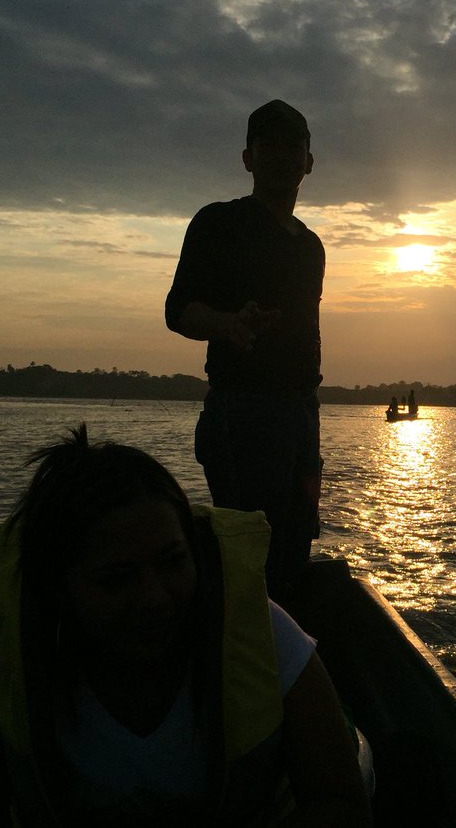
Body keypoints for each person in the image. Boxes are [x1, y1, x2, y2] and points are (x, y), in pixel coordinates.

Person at [0, 424, 371, 827]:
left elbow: (338, 800)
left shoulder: (263, 637)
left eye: (173, 562)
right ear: (59, 586)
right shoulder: (5, 663)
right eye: (117, 578)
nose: (155, 598)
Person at [165, 99, 323, 602]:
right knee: (249, 557)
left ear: (309, 161)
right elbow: (179, 309)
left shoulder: (311, 245)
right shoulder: (218, 223)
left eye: (292, 147)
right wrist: (227, 325)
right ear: (247, 158)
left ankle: (286, 663)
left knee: (295, 545)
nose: (281, 156)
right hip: (242, 416)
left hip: (302, 417)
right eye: (267, 146)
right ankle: (240, 667)